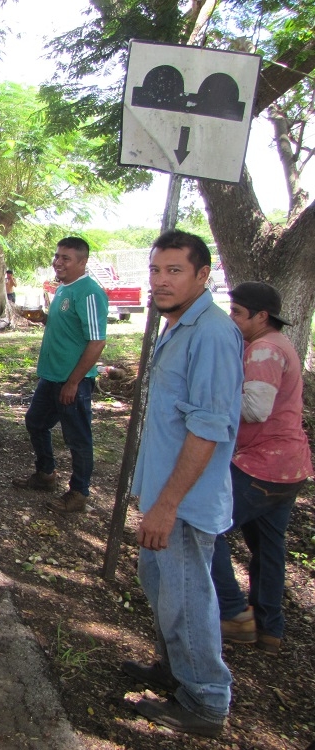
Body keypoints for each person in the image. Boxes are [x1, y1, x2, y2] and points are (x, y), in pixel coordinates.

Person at [121, 231, 243, 738]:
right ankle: (175, 670)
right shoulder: (178, 325)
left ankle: (206, 701)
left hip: (185, 504)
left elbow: (209, 428)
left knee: (189, 597)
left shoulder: (212, 332)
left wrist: (168, 504)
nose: (161, 281)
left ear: (201, 275)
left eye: (174, 271)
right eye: (155, 270)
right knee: (165, 589)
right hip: (163, 496)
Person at [210, 282, 312, 655]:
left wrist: (214, 395)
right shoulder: (281, 345)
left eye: (238, 313)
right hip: (290, 466)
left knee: (207, 527)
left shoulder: (265, 350)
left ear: (261, 316)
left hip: (261, 466)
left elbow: (254, 408)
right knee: (269, 546)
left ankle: (235, 614)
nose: (233, 319)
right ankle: (270, 628)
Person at [11, 237, 108, 513]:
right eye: (57, 256)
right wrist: (43, 318)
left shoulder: (89, 292)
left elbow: (97, 341)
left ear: (82, 261)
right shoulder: (64, 289)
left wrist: (74, 382)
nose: (58, 262)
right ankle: (46, 475)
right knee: (36, 422)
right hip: (51, 377)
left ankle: (79, 492)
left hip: (71, 381)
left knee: (78, 437)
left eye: (66, 258)